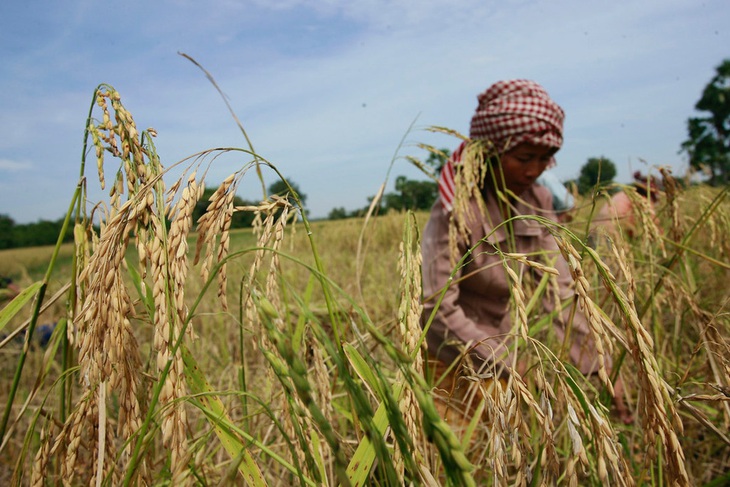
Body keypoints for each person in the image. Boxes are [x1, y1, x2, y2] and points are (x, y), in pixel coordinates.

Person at [421, 79, 632, 423]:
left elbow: (560, 294)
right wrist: (508, 362)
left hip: (504, 346)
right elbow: (436, 309)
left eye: (546, 159)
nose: (534, 171)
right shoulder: (455, 210)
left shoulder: (537, 201)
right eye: (523, 158)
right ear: (489, 152)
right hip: (451, 354)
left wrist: (601, 369)